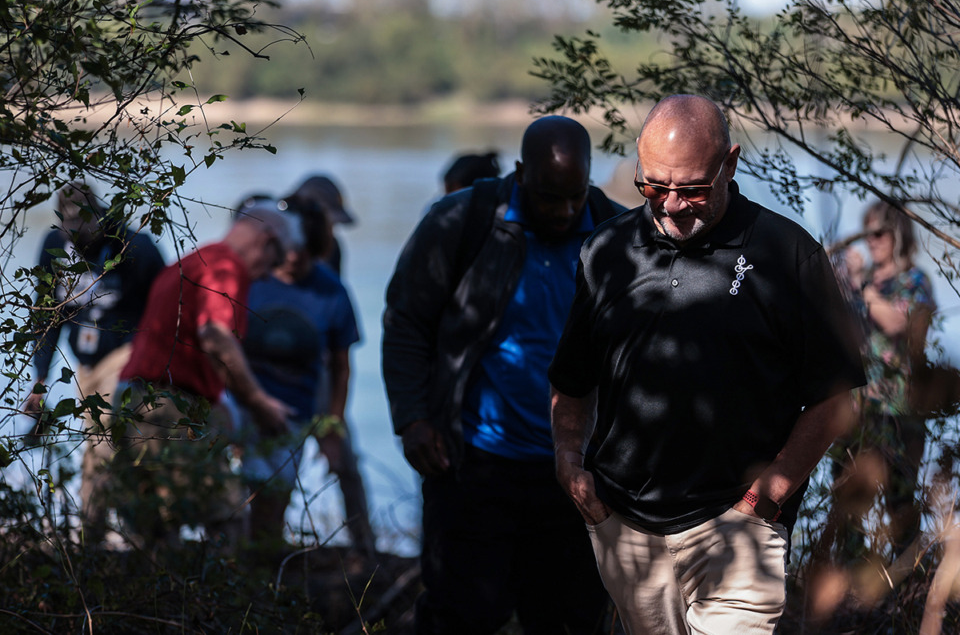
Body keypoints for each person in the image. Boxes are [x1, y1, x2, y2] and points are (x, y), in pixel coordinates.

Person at [548, 95, 866, 635]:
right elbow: (572, 377)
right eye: (654, 186)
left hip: (738, 528)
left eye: (692, 188)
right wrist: (569, 462)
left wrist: (766, 497)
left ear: (730, 164)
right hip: (625, 527)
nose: (671, 205)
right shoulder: (605, 249)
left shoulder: (785, 254)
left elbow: (837, 398)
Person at [382, 115, 621, 635]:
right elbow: (406, 321)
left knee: (569, 620)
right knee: (459, 616)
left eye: (573, 197)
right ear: (520, 173)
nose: (562, 212)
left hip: (576, 476)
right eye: (547, 196)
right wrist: (412, 418)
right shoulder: (460, 223)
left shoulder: (619, 236)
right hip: (473, 466)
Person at [109, 201, 299, 547]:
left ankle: (155, 597)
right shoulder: (226, 266)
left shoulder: (195, 260)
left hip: (134, 399)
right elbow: (215, 336)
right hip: (164, 407)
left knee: (154, 525)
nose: (266, 274)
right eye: (272, 262)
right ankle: (230, 598)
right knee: (228, 517)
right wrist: (257, 401)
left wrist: (219, 402)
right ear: (266, 240)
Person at [22, 181, 165, 543]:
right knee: (106, 446)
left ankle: (100, 535)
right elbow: (47, 318)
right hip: (84, 364)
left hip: (126, 357)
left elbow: (163, 309)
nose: (78, 235)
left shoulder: (135, 248)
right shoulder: (55, 247)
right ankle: (108, 537)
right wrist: (40, 382)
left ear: (100, 215)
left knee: (104, 441)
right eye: (69, 227)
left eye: (84, 225)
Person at [235, 194, 375, 557]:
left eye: (306, 252)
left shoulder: (331, 291)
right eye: (291, 249)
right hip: (242, 407)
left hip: (293, 413)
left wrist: (331, 426)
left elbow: (342, 368)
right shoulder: (251, 277)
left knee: (272, 507)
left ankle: (263, 580)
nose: (295, 258)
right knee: (228, 506)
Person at [828, 200, 936, 562]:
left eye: (878, 233)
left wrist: (862, 286)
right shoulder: (861, 283)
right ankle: (851, 593)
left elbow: (899, 325)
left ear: (897, 235)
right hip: (856, 411)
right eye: (866, 233)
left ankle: (910, 592)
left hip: (899, 411)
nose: (871, 241)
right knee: (848, 502)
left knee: (900, 503)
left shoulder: (914, 281)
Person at [288, 174, 355, 276]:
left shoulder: (332, 248)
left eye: (333, 224)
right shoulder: (276, 248)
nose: (331, 231)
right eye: (326, 225)